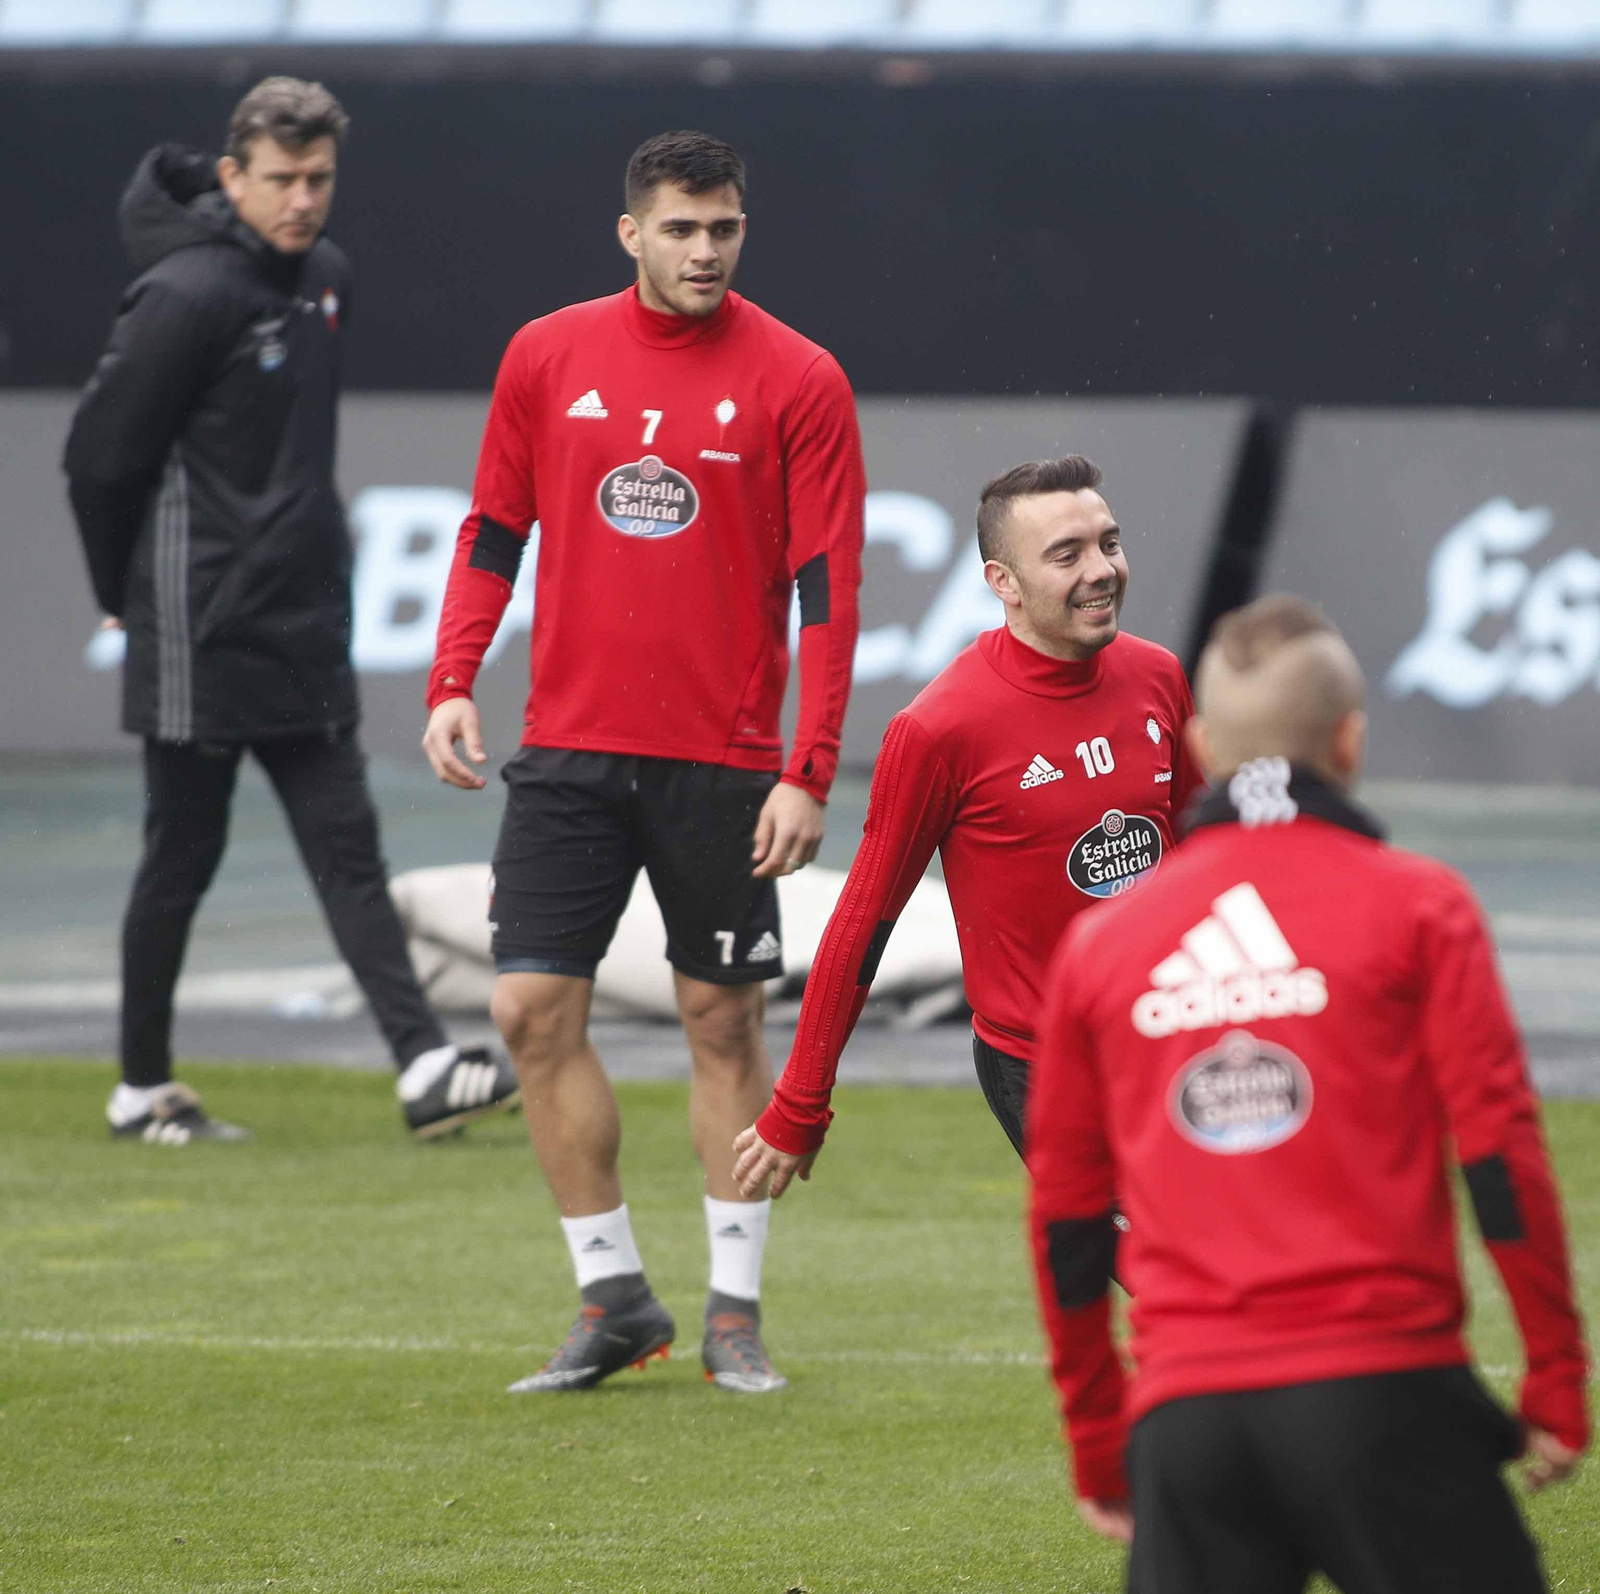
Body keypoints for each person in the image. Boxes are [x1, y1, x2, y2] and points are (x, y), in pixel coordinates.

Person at [1027, 593, 1590, 1594]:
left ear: (1198, 745)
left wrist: (1097, 1431)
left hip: (1188, 1424)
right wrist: (1553, 1370)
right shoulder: (1418, 902)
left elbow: (1066, 1218)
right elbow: (1500, 1151)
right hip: (1387, 1395)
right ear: (1351, 740)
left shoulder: (1102, 943)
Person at [421, 130, 865, 1394]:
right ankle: (612, 1293)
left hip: (724, 764)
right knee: (525, 1011)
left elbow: (829, 593)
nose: (705, 249)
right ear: (631, 232)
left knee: (720, 1023)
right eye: (680, 228)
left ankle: (734, 1311)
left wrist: (808, 767)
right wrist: (454, 677)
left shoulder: (801, 378)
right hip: (565, 751)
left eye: (723, 227)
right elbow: (495, 528)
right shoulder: (546, 355)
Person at [63, 77, 518, 1147]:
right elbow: (96, 459)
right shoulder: (183, 293)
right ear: (233, 177)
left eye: (319, 178)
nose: (302, 199)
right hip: (196, 622)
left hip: (298, 617)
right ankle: (140, 1086)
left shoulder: (326, 279)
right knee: (184, 852)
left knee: (346, 844)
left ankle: (421, 1068)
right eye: (281, 179)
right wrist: (113, 594)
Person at [733, 455, 1201, 1198]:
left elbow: (1208, 865)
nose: (1102, 569)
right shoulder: (940, 728)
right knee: (1180, 1275)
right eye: (1066, 555)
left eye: (1108, 543)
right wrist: (799, 1104)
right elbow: (863, 921)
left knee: (1243, 1273)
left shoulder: (1159, 678)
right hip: (1043, 1067)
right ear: (1002, 584)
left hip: (1174, 1040)